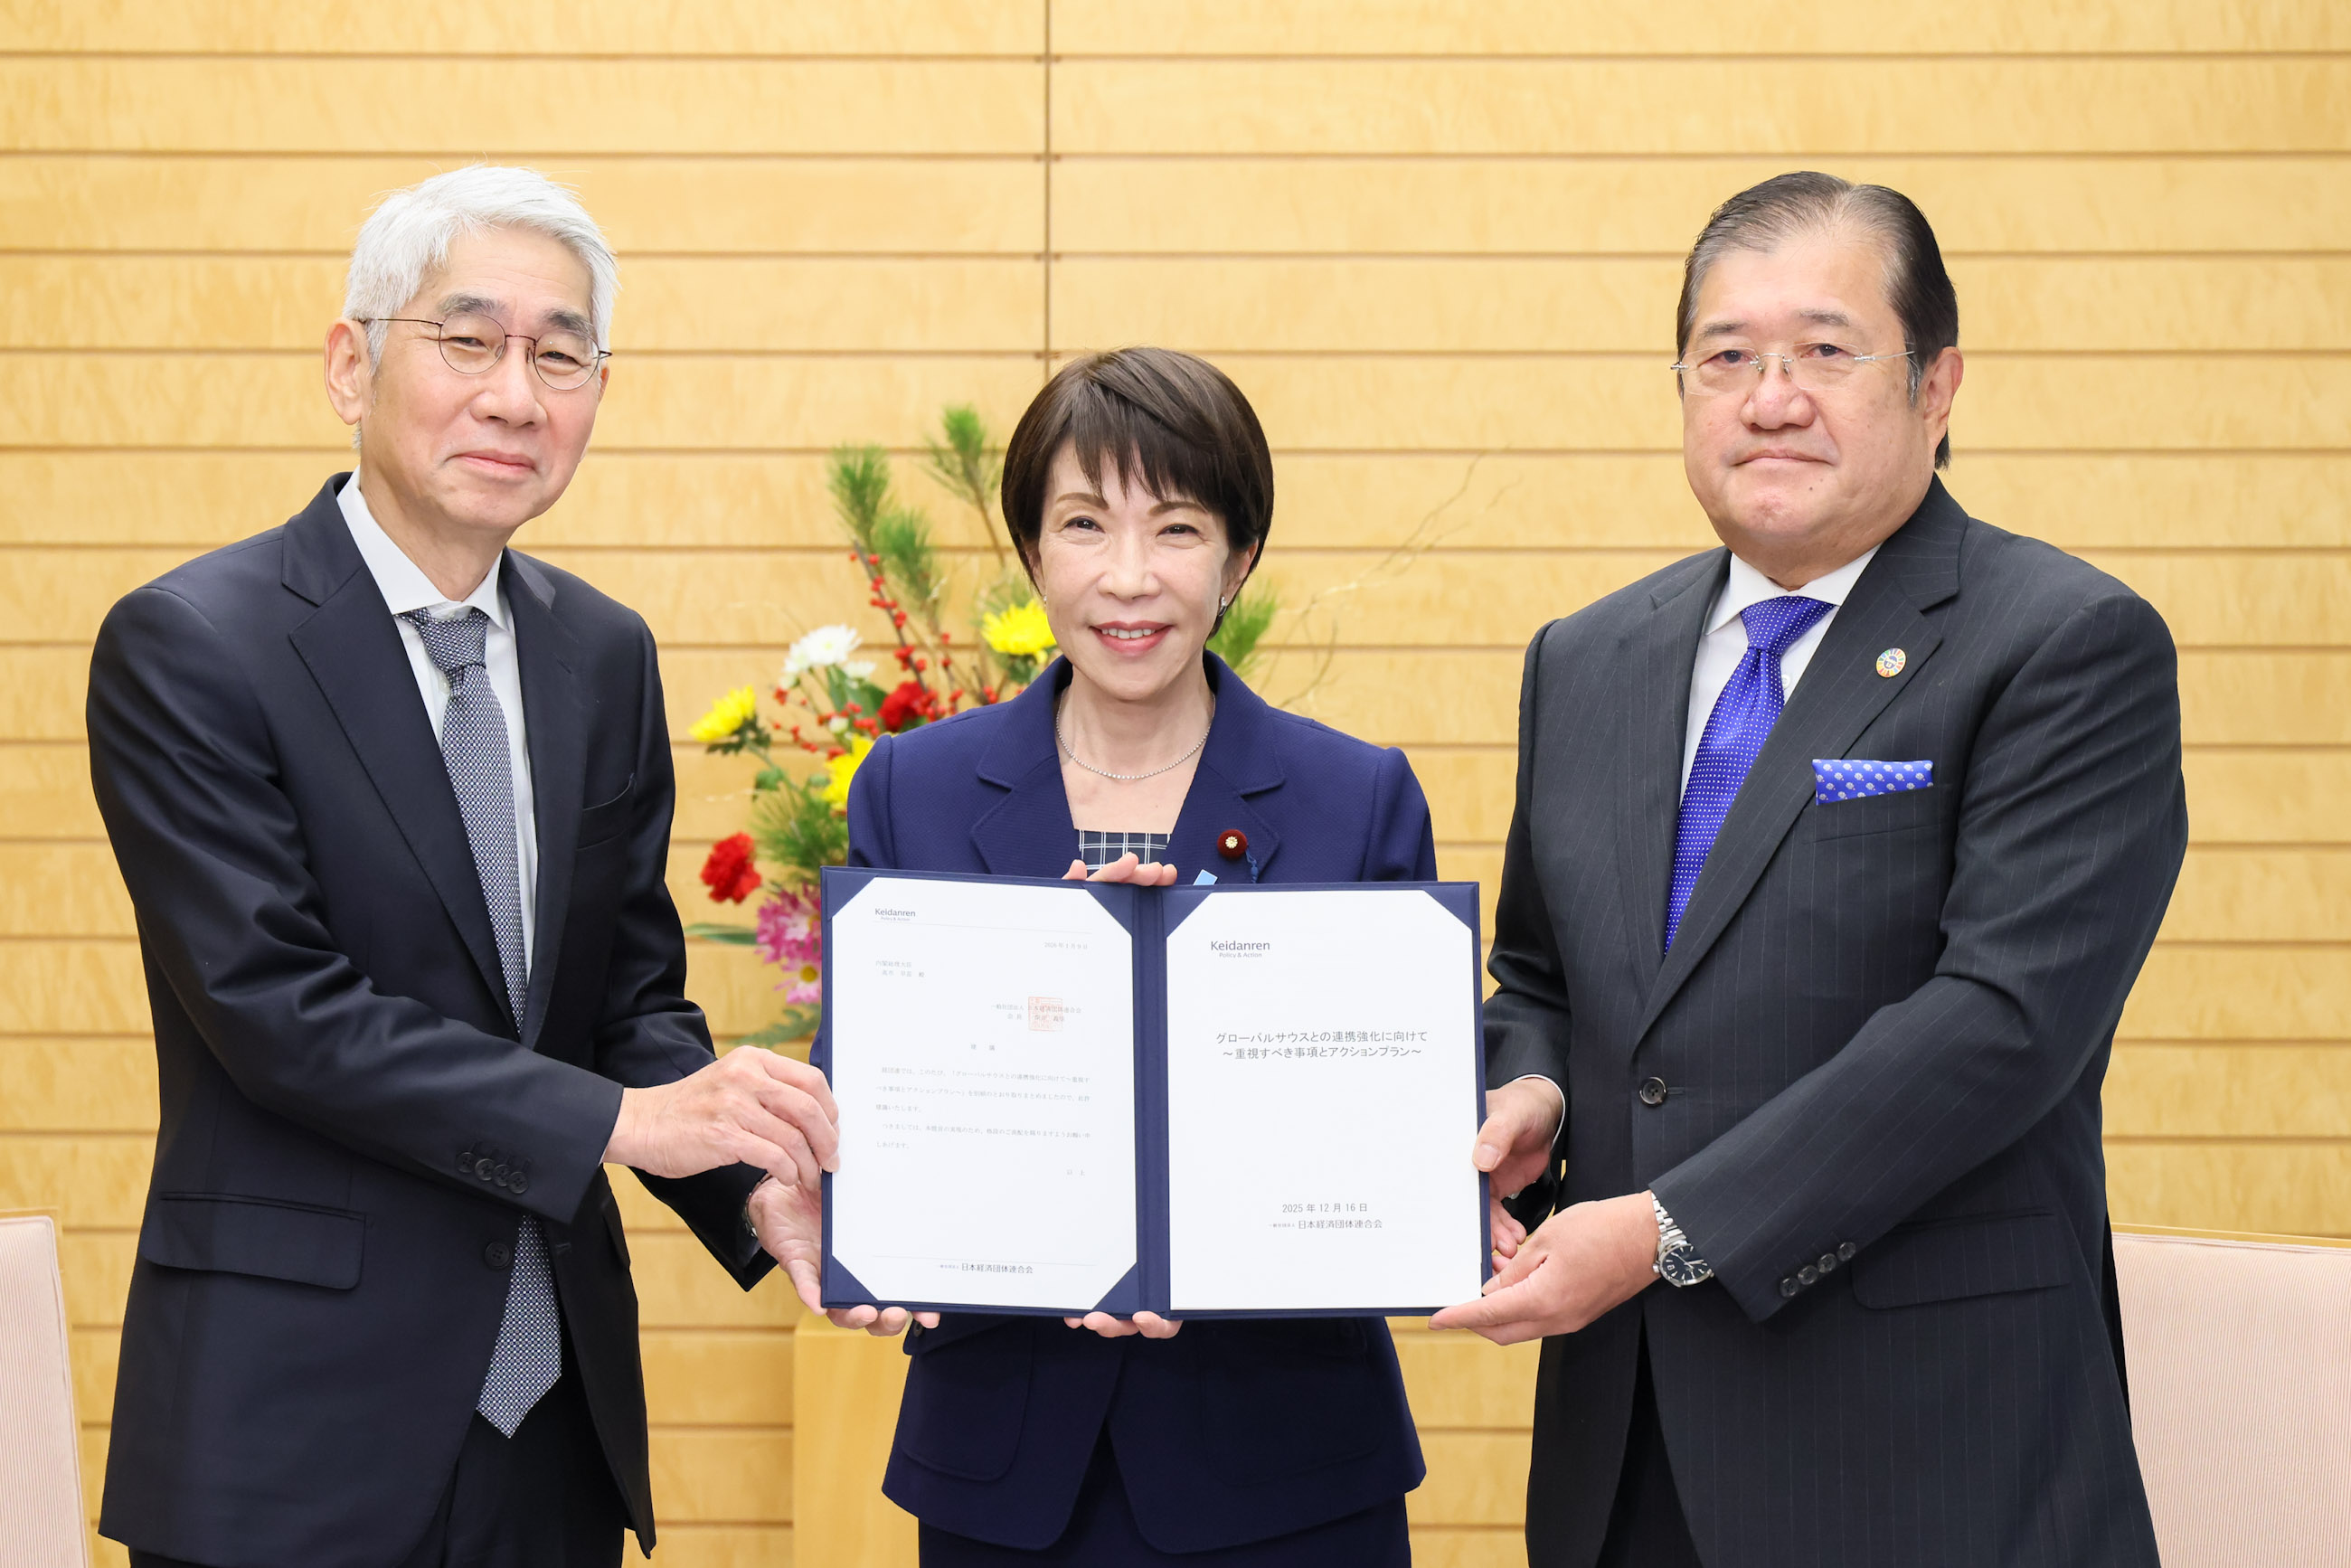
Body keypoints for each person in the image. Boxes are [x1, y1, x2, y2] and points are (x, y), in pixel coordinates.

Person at [87, 165, 838, 1568]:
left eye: (561, 353)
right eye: (468, 338)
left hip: (549, 1433)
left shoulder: (600, 653)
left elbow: (631, 1003)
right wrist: (624, 1125)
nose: (515, 394)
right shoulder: (194, 644)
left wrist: (748, 1178)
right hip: (291, 1435)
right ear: (349, 362)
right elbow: (280, 1013)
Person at [1432, 172, 2186, 1568]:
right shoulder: (1588, 657)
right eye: (1726, 358)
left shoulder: (2066, 643)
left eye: (1827, 352)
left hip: (1928, 1458)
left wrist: (1666, 1225)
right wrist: (1530, 1086)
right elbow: (1543, 968)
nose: (1770, 398)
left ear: (1938, 382)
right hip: (1630, 1442)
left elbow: (2000, 1023)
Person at [758, 348, 1431, 1564]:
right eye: (1082, 524)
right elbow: (872, 1083)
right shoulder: (915, 785)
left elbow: (1390, 1121)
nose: (1129, 577)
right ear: (1031, 552)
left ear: (1240, 559)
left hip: (1288, 1461)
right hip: (1009, 1469)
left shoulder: (1354, 795)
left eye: (1177, 529)